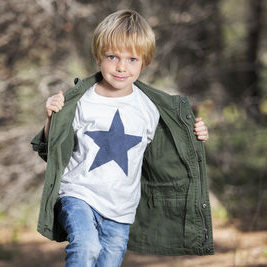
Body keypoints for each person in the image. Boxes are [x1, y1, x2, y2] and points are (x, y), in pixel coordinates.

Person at [31, 9, 214, 267]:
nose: (121, 67)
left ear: (144, 62)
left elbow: (176, 147)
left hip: (121, 209)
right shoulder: (83, 100)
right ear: (98, 57)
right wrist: (51, 116)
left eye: (132, 59)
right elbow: (52, 147)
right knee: (86, 247)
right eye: (112, 56)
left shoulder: (149, 108)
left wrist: (198, 135)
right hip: (79, 195)